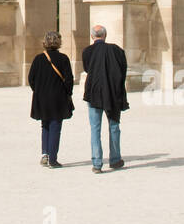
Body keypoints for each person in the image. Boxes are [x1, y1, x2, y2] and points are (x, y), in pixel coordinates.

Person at [81, 24, 128, 174]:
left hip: (94, 92)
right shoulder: (117, 50)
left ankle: (97, 163)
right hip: (112, 92)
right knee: (114, 127)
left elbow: (88, 69)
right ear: (105, 35)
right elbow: (123, 70)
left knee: (95, 128)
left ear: (92, 36)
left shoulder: (87, 51)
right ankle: (115, 159)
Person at [28, 31, 74, 168]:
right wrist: (68, 93)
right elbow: (69, 80)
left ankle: (45, 154)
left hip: (41, 97)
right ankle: (53, 159)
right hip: (57, 97)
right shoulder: (63, 58)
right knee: (55, 126)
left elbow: (31, 78)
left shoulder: (38, 59)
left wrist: (38, 90)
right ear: (59, 42)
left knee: (45, 125)